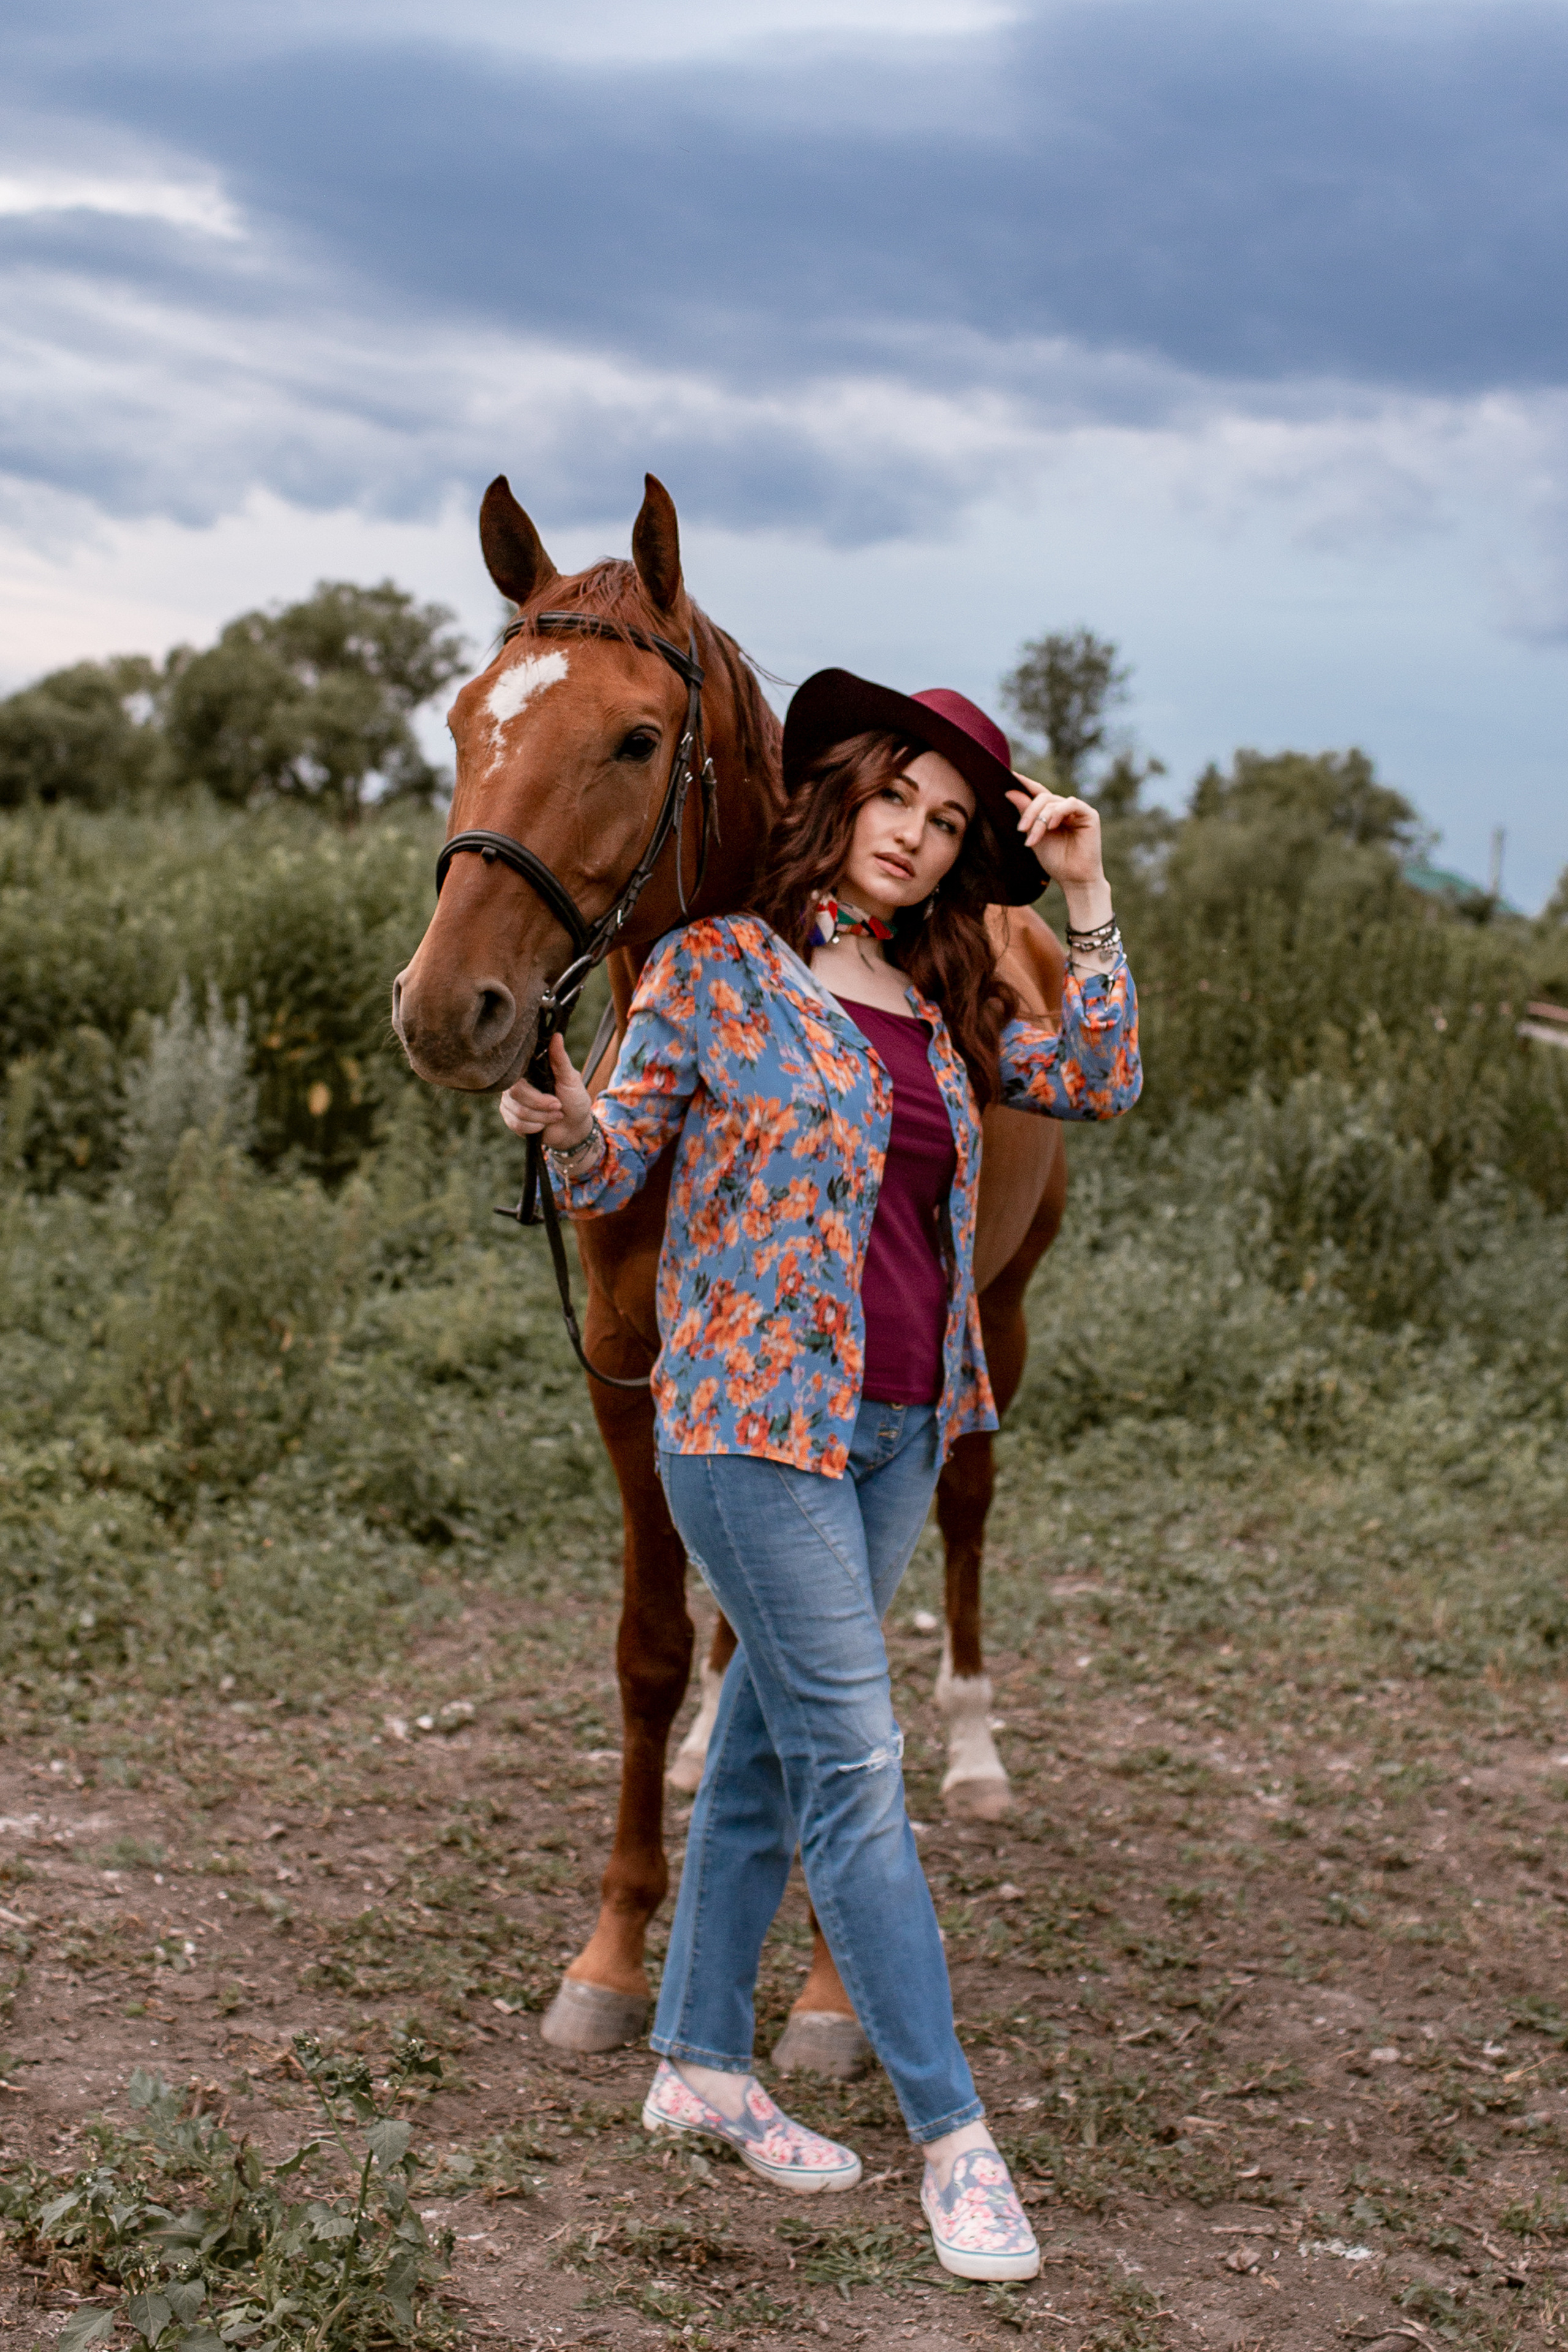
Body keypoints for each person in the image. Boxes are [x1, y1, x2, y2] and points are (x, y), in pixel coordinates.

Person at [499, 668, 1140, 2282]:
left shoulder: (943, 1004)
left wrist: (1088, 889)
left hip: (899, 1429)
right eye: (895, 802)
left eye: (945, 823)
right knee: (860, 1767)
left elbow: (1103, 1078)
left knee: (782, 1760)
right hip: (746, 1429)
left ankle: (704, 2068)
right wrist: (562, 1113)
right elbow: (612, 1163)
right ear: (837, 796)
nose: (915, 840)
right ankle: (957, 2141)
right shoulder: (713, 973)